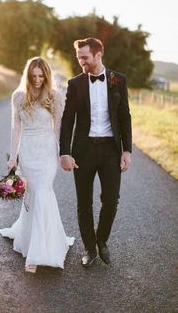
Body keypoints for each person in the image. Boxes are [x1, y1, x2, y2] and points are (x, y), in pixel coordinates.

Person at [60, 38, 132, 267]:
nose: (81, 61)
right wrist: (65, 152)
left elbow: (124, 116)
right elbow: (67, 119)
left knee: (111, 200)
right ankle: (90, 249)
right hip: (83, 150)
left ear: (98, 54)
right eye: (79, 57)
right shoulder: (75, 84)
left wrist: (127, 150)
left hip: (111, 149)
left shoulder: (117, 80)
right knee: (84, 203)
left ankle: (102, 241)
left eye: (85, 57)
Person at [0, 57, 74, 273]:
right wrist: (13, 158)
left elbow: (58, 129)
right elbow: (16, 129)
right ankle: (31, 240)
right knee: (31, 195)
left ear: (47, 76)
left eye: (42, 76)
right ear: (28, 76)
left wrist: (63, 154)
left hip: (47, 152)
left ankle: (39, 254)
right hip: (28, 153)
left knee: (43, 192)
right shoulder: (18, 96)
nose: (38, 79)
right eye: (34, 76)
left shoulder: (55, 96)